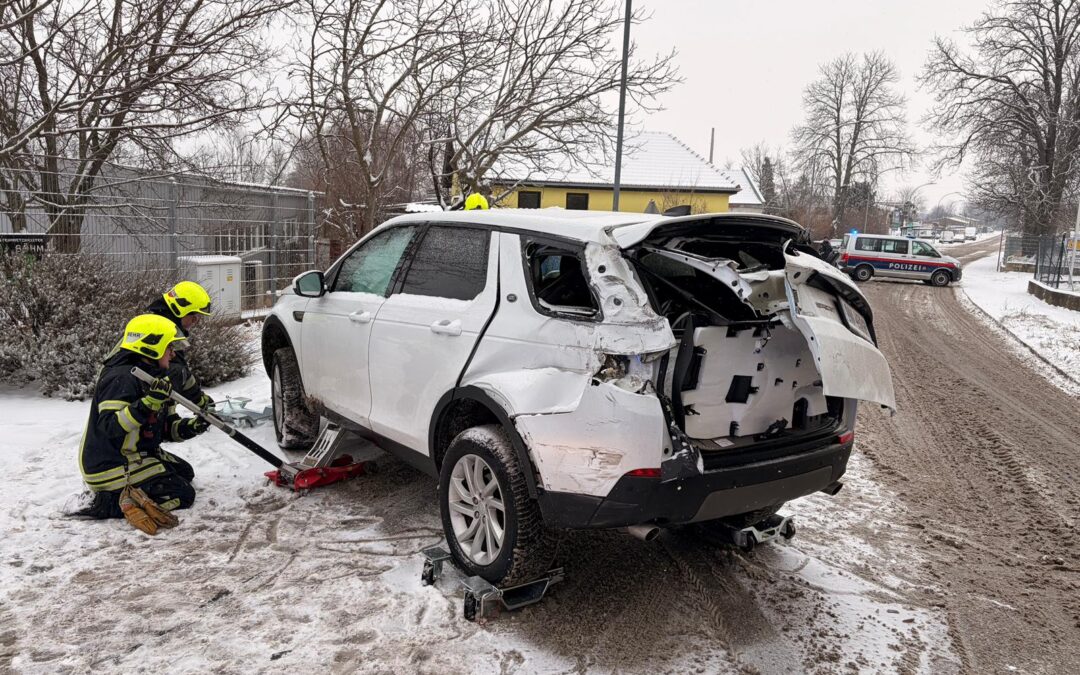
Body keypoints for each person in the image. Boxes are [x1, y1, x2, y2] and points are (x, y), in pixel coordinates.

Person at [77, 314, 209, 533]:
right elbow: (110, 427)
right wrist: (147, 404)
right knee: (183, 494)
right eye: (169, 347)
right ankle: (115, 503)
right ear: (152, 348)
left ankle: (130, 490)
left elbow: (161, 429)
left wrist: (191, 427)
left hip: (134, 452)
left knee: (185, 472)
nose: (173, 353)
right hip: (108, 463)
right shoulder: (121, 378)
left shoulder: (153, 377)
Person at [104, 281, 215, 409]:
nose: (195, 322)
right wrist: (201, 401)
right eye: (194, 317)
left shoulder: (154, 323)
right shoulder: (162, 331)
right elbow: (179, 373)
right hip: (125, 397)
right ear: (179, 309)